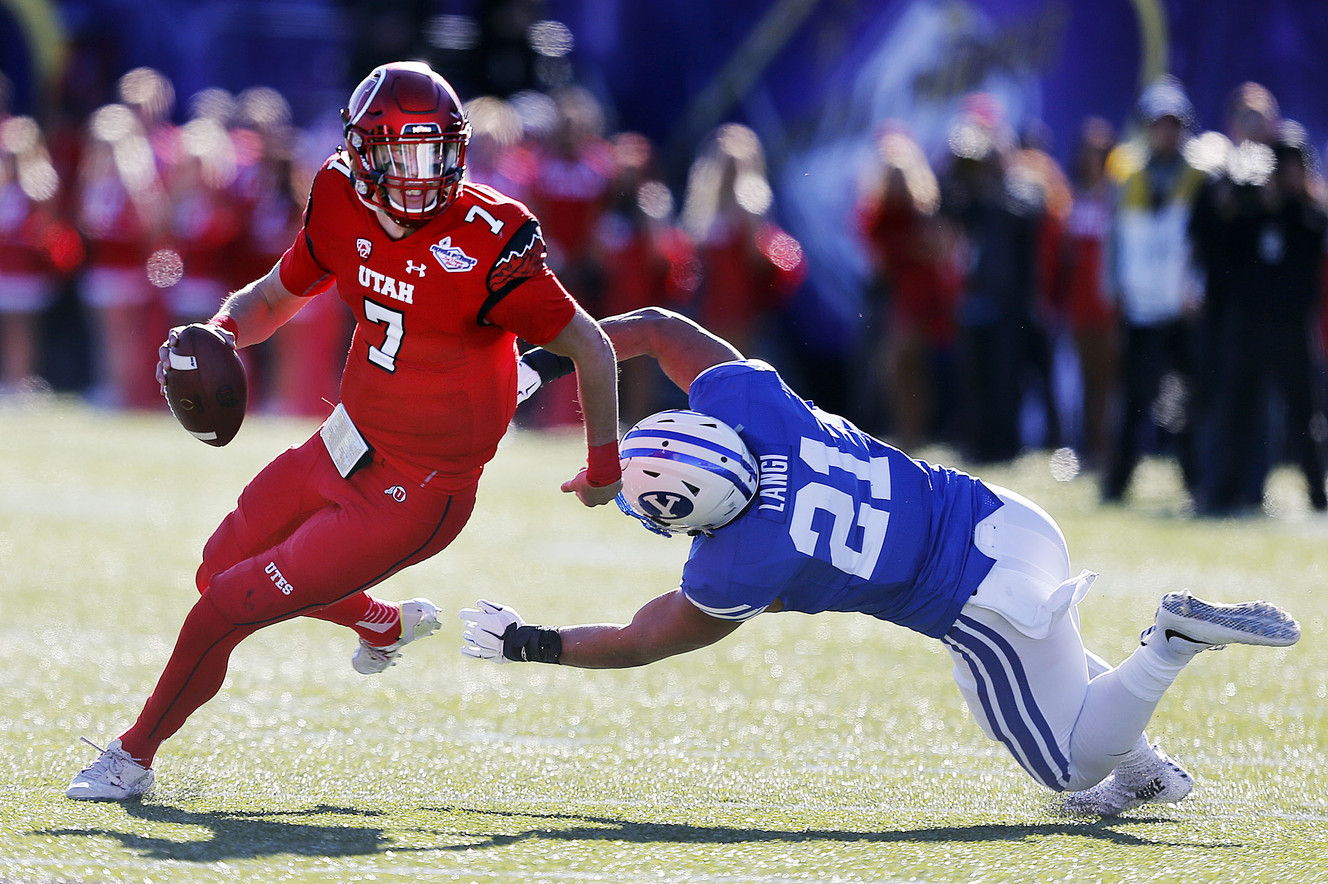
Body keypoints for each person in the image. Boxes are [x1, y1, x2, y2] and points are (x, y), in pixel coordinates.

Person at [460, 306, 1301, 816]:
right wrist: (545, 358)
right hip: (1003, 515)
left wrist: (532, 643)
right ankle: (1149, 774)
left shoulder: (741, 560)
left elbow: (645, 638)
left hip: (980, 600)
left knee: (1064, 765)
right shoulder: (756, 406)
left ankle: (1169, 647)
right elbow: (657, 331)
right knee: (1049, 680)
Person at [66, 61, 622, 801]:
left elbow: (591, 344)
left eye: (434, 152)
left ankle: (131, 757)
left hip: (419, 489)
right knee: (215, 571)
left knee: (224, 605)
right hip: (346, 438)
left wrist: (604, 466)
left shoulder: (493, 236)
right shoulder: (335, 195)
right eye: (399, 153)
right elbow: (274, 295)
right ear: (361, 154)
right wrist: (222, 331)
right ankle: (382, 625)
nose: (419, 175)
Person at [1100, 77, 1206, 503]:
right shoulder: (1127, 174)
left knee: (1185, 398)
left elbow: (1202, 246)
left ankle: (1195, 480)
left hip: (1182, 309)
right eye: (1159, 124)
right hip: (1139, 307)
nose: (1166, 132)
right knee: (1132, 399)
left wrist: (1196, 291)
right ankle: (1118, 482)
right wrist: (1114, 288)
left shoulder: (1200, 175)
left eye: (1173, 124)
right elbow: (1116, 238)